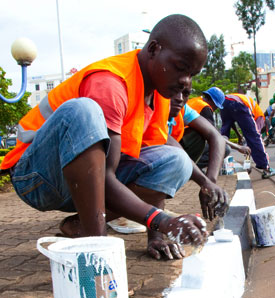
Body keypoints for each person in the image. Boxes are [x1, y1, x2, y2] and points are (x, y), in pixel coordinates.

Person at [0, 14, 210, 257]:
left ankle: (81, 225)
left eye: (192, 74)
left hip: (81, 183)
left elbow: (153, 166)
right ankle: (96, 248)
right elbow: (104, 176)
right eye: (181, 68)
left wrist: (156, 236)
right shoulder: (111, 83)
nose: (186, 82)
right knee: (83, 110)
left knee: (177, 160)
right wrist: (160, 220)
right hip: (37, 177)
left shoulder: (158, 96)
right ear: (153, 49)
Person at [220, 93, 275, 179]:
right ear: (264, 125)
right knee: (255, 137)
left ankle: (219, 165)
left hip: (224, 102)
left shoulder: (252, 111)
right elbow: (255, 137)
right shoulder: (261, 117)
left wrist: (239, 135)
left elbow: (231, 122)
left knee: (223, 135)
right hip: (239, 103)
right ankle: (266, 168)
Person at [187, 87, 251, 169]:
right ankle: (191, 168)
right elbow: (214, 135)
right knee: (225, 148)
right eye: (216, 106)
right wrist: (238, 147)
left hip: (182, 141)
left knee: (223, 139)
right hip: (186, 145)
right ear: (213, 102)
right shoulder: (205, 108)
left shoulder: (194, 101)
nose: (215, 109)